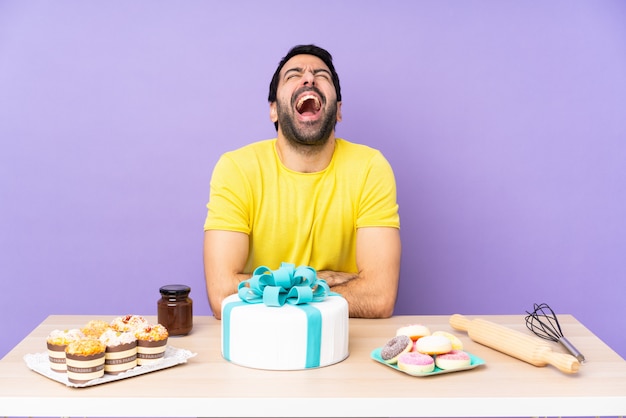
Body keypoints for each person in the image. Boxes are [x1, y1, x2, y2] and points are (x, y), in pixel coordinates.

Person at [203, 44, 401, 319]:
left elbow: (379, 297)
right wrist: (316, 282)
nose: (309, 78)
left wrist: (265, 288)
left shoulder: (370, 167)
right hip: (261, 340)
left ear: (339, 110)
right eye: (293, 75)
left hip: (344, 341)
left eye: (322, 75)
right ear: (273, 110)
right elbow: (221, 293)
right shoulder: (236, 169)